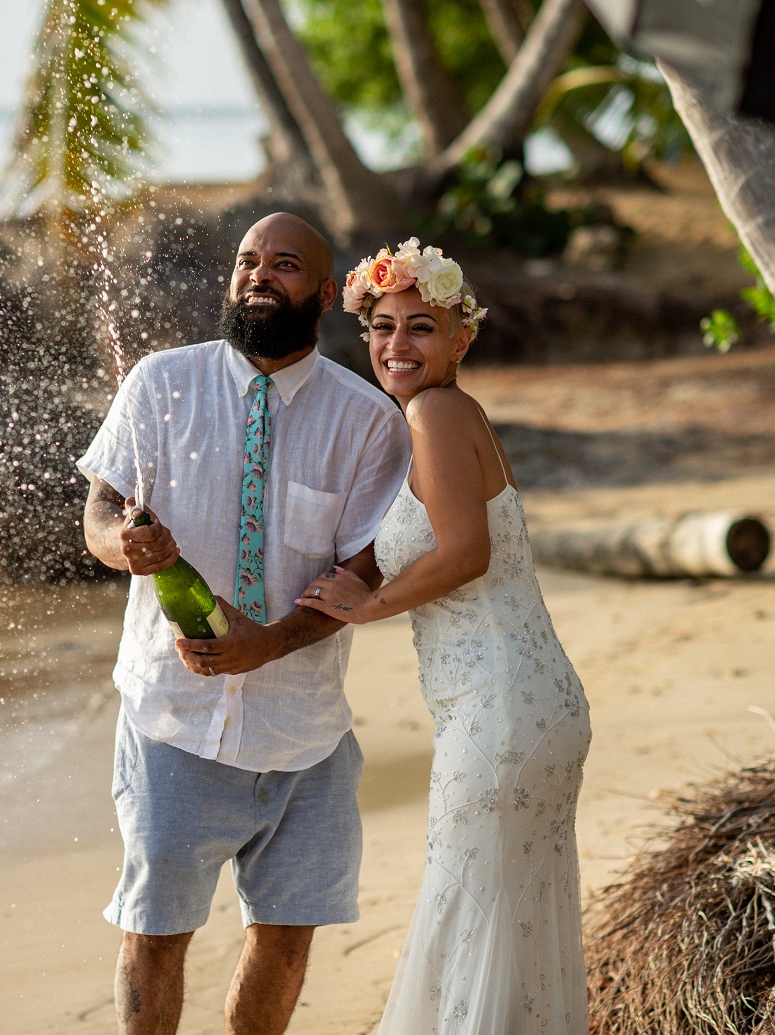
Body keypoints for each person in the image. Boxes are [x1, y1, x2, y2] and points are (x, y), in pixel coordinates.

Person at [77, 212, 412, 1035]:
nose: (259, 275)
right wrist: (125, 544)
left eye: (286, 264)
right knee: (154, 933)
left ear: (327, 294)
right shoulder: (159, 383)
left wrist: (269, 641)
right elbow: (98, 511)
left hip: (307, 731)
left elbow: (366, 565)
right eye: (248, 261)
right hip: (172, 719)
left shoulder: (369, 420)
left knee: (286, 935)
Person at [298, 239, 592, 1034]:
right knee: (503, 911)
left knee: (470, 904)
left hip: (502, 708)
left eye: (420, 327)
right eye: (383, 326)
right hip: (518, 702)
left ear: (463, 337)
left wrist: (371, 603)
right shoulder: (442, 418)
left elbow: (466, 551)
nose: (397, 345)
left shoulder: (435, 411)